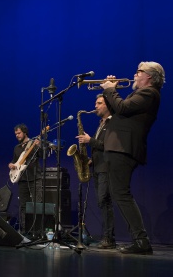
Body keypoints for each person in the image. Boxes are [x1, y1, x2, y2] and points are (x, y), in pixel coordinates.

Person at [100, 61, 165, 254]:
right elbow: (118, 109)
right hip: (118, 148)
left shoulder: (149, 93)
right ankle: (140, 240)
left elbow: (123, 108)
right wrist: (108, 91)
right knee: (119, 194)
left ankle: (141, 241)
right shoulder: (139, 94)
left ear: (150, 77)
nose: (135, 75)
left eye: (139, 72)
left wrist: (111, 90)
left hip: (124, 148)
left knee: (121, 194)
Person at [76, 94, 115, 249]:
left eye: (99, 103)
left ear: (107, 105)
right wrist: (90, 160)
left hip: (106, 168)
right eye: (95, 103)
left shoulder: (113, 123)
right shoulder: (101, 123)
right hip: (98, 168)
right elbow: (100, 147)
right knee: (101, 202)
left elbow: (109, 146)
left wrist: (89, 140)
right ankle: (107, 238)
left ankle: (109, 239)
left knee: (105, 202)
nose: (95, 106)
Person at [8, 124, 42, 237]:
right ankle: (24, 230)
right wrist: (11, 165)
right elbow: (14, 161)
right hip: (22, 179)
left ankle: (37, 231)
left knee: (37, 204)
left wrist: (38, 146)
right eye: (15, 134)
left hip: (35, 177)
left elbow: (43, 155)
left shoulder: (33, 143)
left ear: (25, 132)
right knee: (23, 205)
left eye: (19, 133)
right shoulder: (16, 148)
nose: (17, 135)